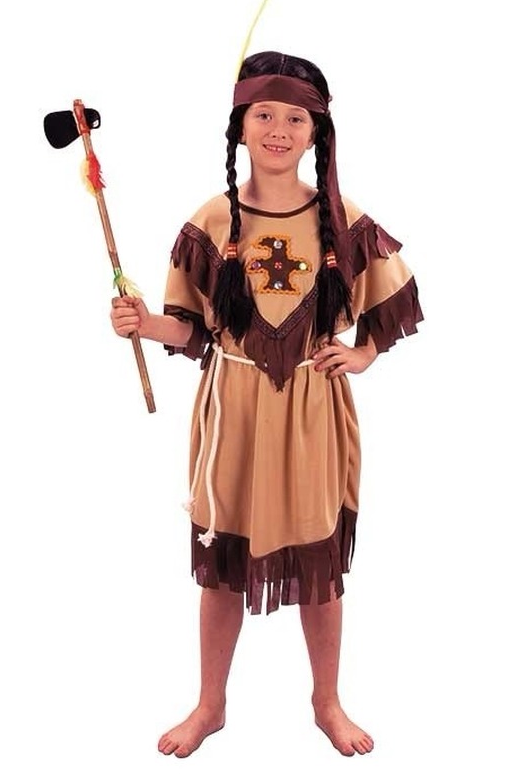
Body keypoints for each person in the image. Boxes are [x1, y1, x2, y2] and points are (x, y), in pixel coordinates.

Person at [110, 50, 423, 758]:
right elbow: (190, 330)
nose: (279, 130)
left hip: (312, 413)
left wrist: (365, 354)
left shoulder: (342, 220)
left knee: (320, 570)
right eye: (264, 115)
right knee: (222, 565)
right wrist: (144, 323)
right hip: (236, 412)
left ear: (316, 133)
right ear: (240, 127)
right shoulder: (212, 221)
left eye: (295, 119)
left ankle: (326, 702)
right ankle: (210, 704)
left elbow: (392, 301)